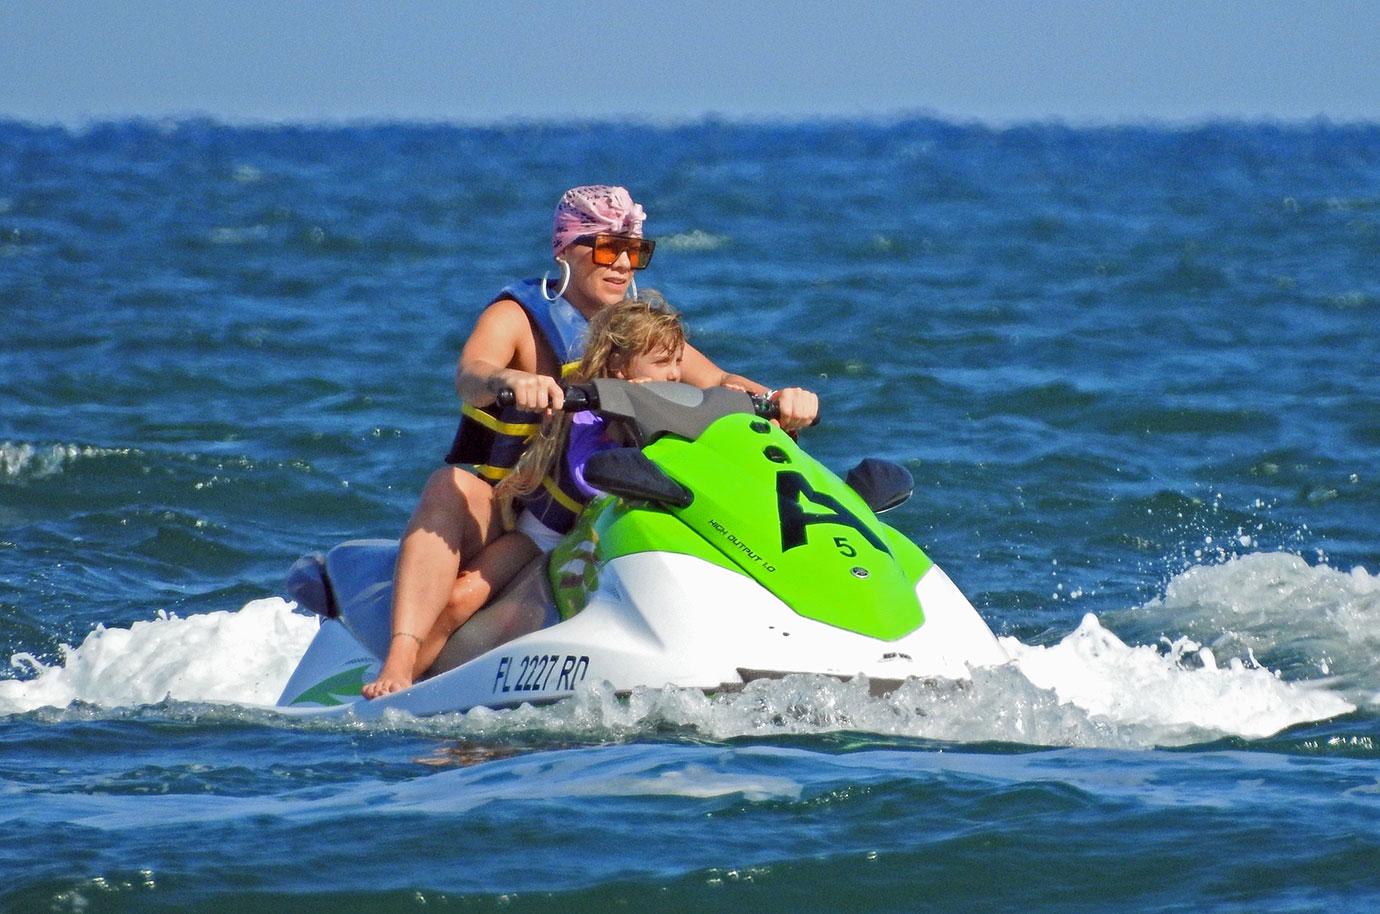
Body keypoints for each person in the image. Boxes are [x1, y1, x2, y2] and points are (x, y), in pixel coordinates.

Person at [362, 185, 817, 698]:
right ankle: (401, 666)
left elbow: (718, 382)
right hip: (515, 509)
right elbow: (472, 372)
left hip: (601, 512)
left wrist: (782, 400)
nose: (623, 263)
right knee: (451, 498)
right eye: (605, 248)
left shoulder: (639, 332)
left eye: (635, 251)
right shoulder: (518, 316)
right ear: (565, 249)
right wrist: (509, 382)